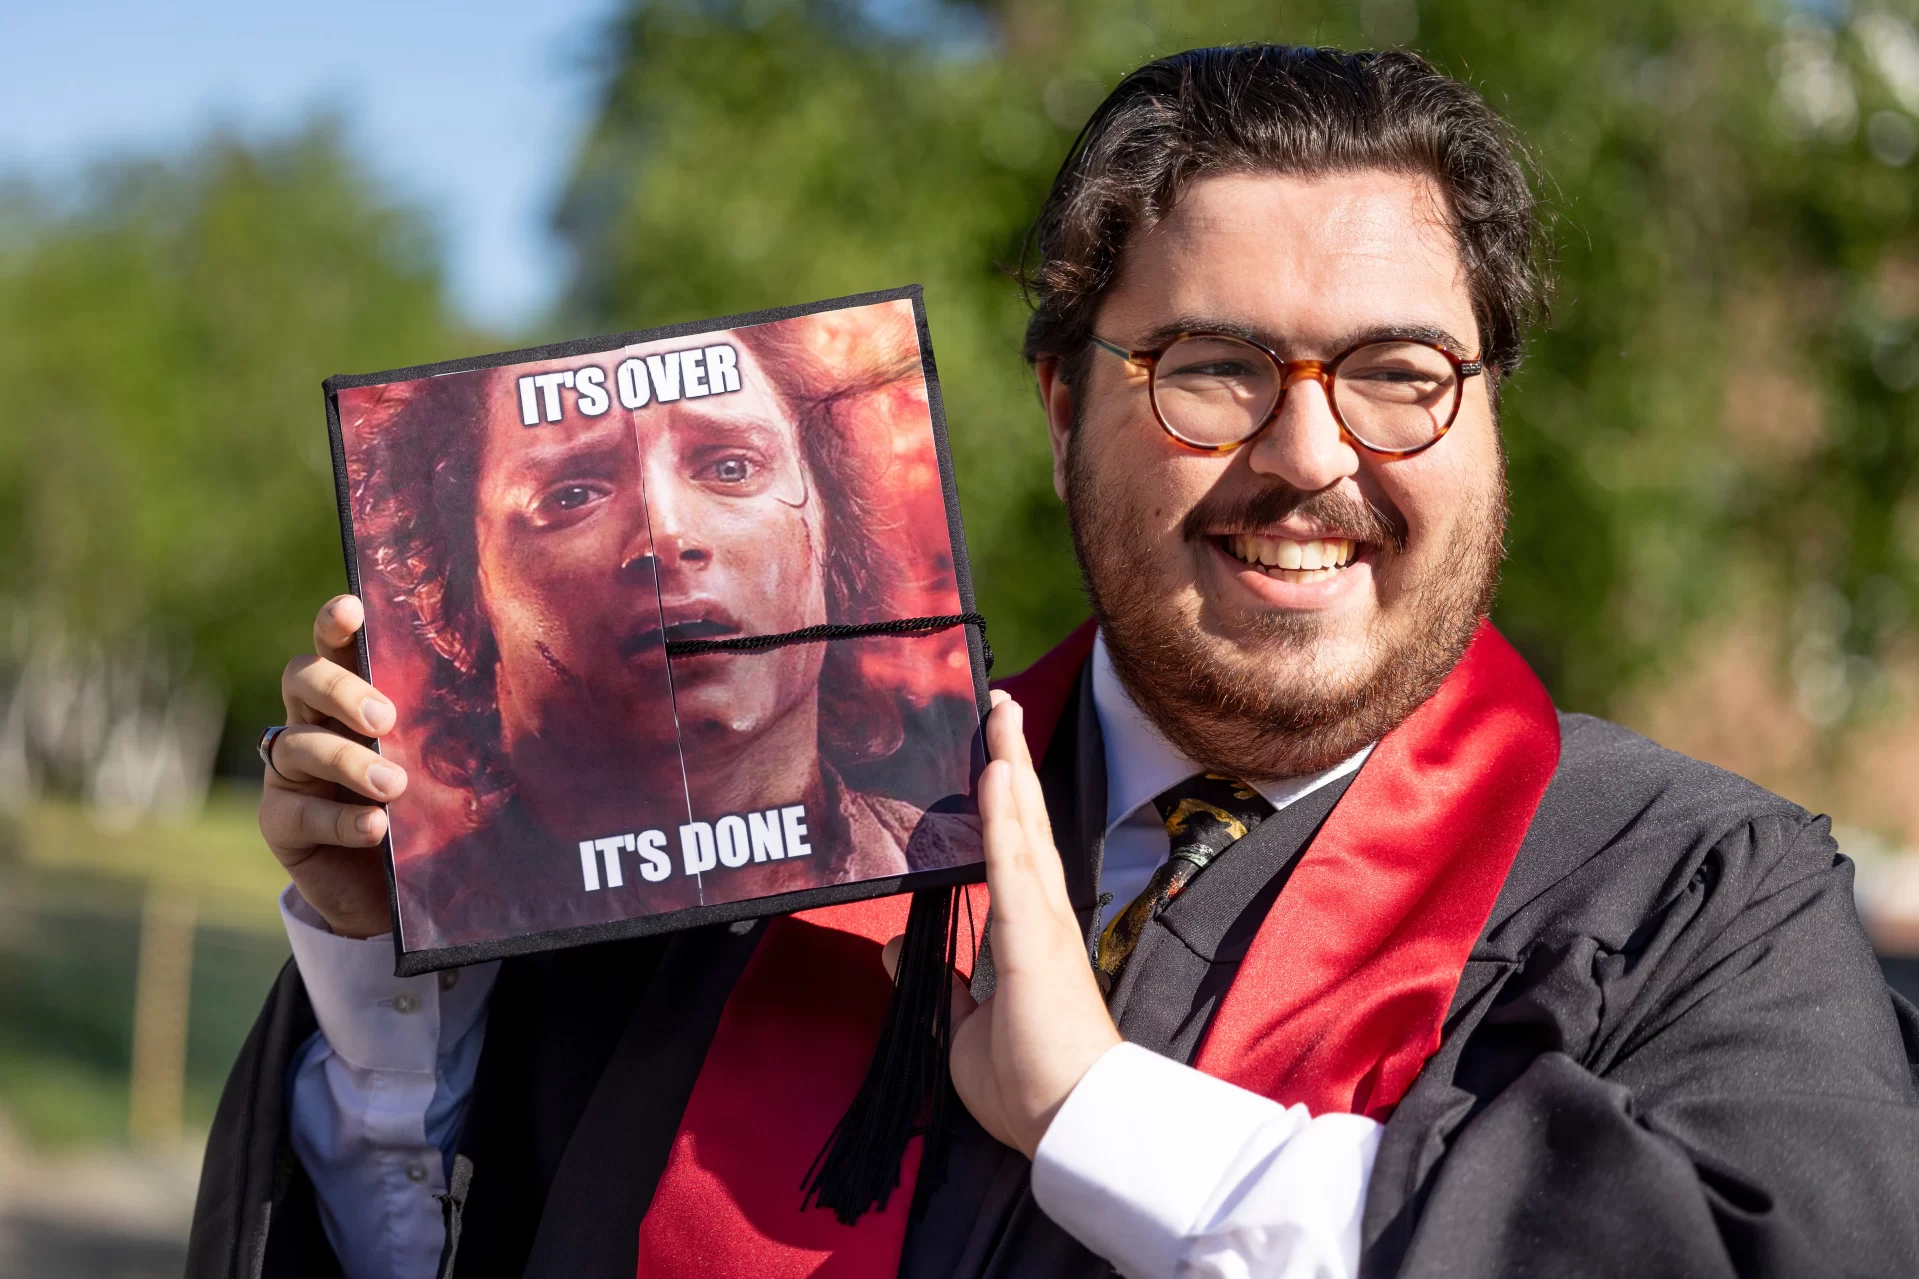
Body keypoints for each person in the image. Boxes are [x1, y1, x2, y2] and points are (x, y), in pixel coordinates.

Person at [190, 44, 1919, 1279]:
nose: (1308, 456)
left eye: (1399, 369)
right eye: (1211, 365)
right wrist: (382, 960)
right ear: (1058, 406)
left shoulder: (1698, 896)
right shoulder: (773, 846)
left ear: (1483, 417)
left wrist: (1095, 1110)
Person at [326, 321, 975, 950]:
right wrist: (366, 944)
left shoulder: (973, 881)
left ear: (828, 540)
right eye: (573, 493)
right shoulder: (411, 920)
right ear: (463, 598)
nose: (666, 535)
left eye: (729, 467)